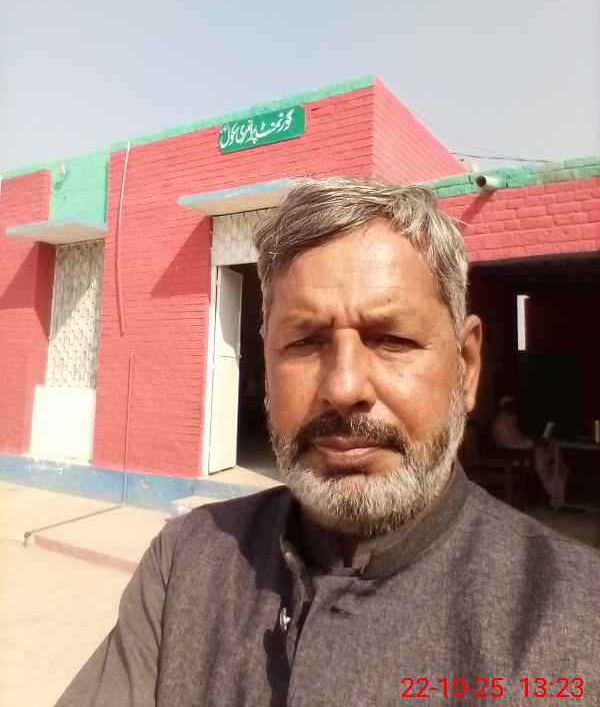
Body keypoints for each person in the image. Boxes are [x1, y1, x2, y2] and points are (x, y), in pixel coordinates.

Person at [55, 176, 600, 707]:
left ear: (467, 366)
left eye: (391, 339)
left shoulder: (576, 618)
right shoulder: (186, 563)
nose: (343, 388)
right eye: (305, 342)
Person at [492, 395, 569, 507]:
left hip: (522, 453)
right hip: (514, 457)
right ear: (503, 407)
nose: (512, 409)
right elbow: (511, 444)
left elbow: (518, 439)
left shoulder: (508, 419)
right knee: (544, 460)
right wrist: (534, 443)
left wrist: (535, 442)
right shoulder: (502, 422)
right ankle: (554, 495)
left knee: (550, 453)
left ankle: (556, 492)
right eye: (509, 406)